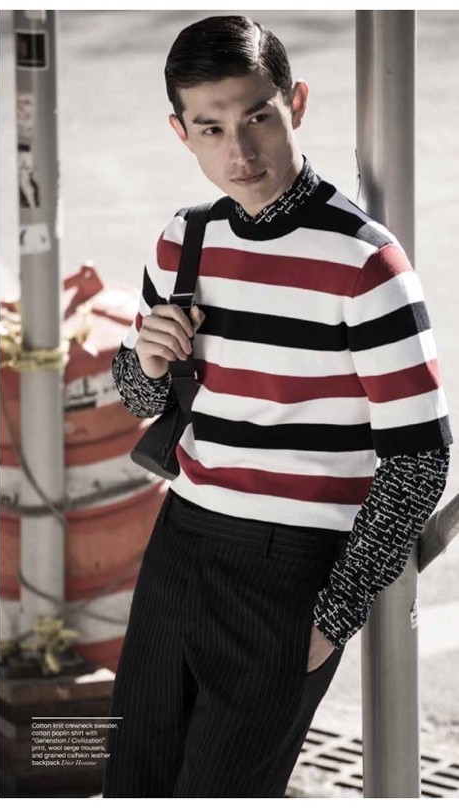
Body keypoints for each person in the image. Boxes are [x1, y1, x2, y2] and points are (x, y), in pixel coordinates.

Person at [102, 15, 452, 798]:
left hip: (289, 569)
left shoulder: (365, 261)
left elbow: (420, 458)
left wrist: (333, 616)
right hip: (179, 544)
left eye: (257, 116)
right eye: (211, 127)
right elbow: (139, 398)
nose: (240, 150)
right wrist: (146, 361)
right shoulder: (184, 240)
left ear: (295, 103)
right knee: (132, 785)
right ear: (181, 133)